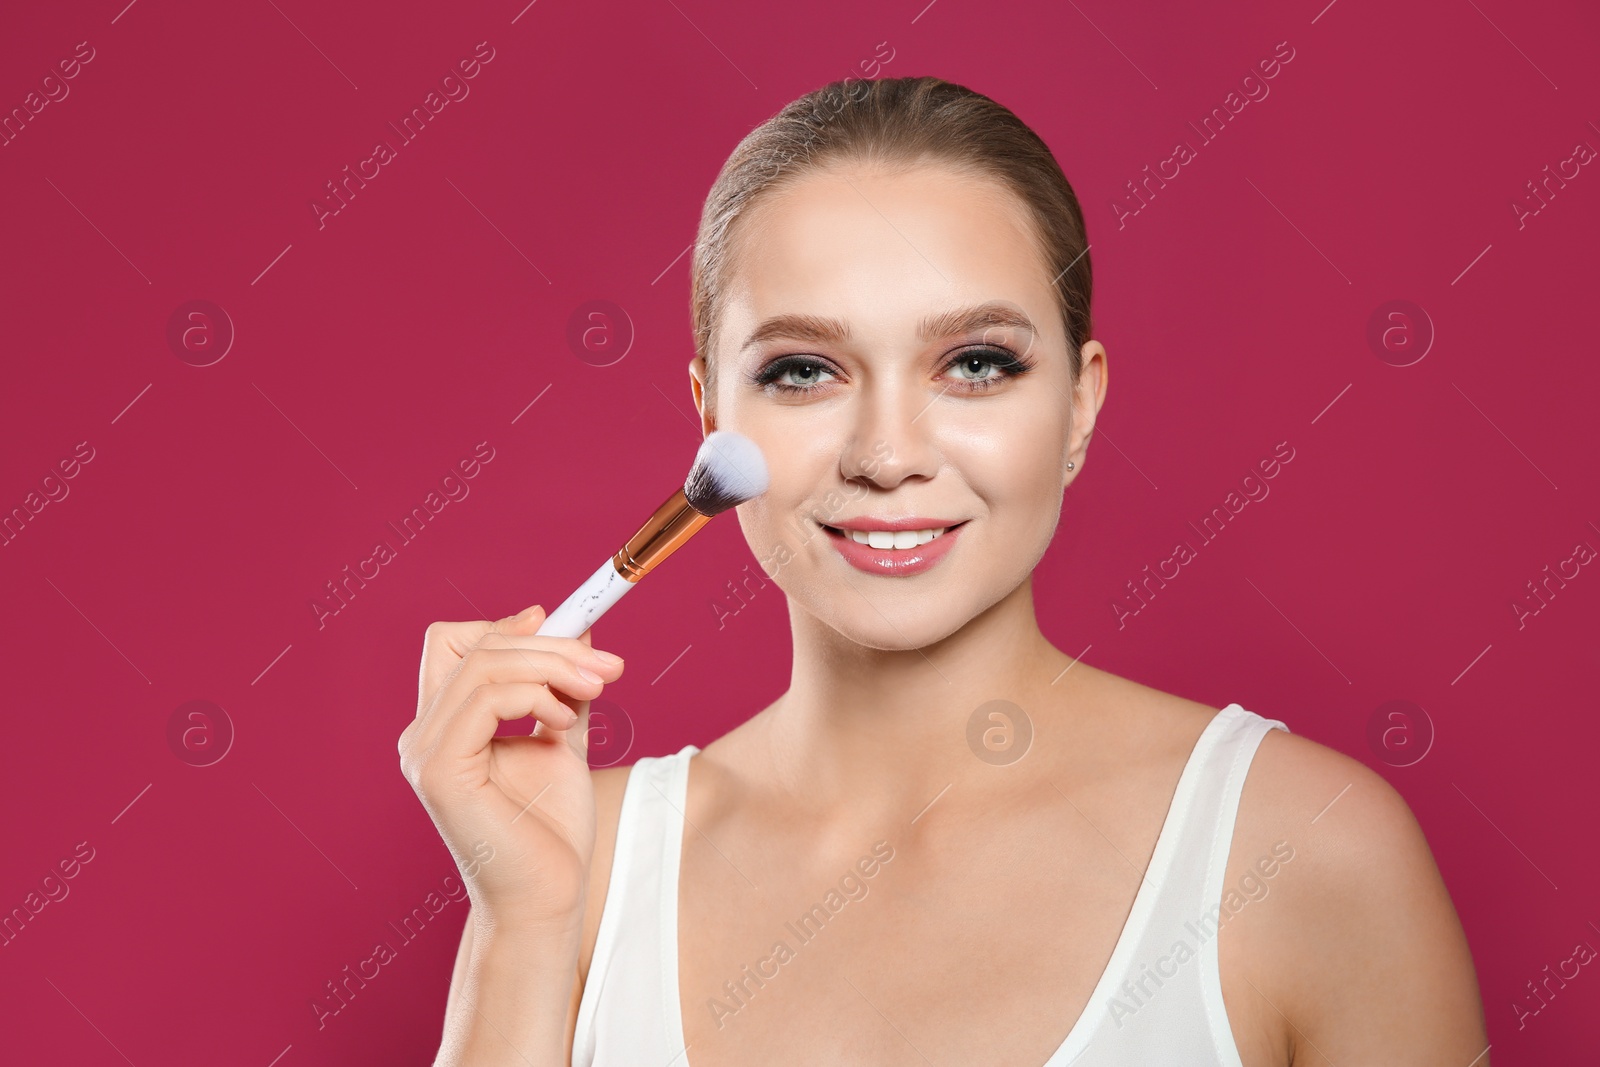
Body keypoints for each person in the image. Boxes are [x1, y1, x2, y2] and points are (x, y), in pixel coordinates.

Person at [402, 75, 1488, 1066]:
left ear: (1079, 403)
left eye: (976, 363)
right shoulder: (575, 866)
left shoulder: (1308, 851)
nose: (886, 454)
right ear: (707, 419)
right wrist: (522, 927)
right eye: (802, 370)